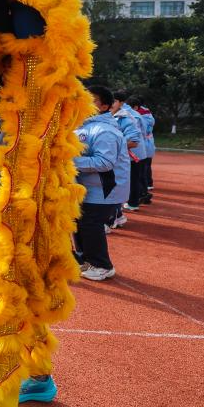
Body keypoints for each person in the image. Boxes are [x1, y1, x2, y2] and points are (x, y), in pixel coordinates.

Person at [74, 86, 130, 281]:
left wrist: (69, 162)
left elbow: (105, 162)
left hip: (104, 190)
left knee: (90, 224)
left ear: (105, 106)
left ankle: (102, 265)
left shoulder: (104, 130)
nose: (85, 102)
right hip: (88, 188)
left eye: (93, 100)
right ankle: (86, 261)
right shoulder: (83, 126)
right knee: (81, 223)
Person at [111, 90, 144, 213]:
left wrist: (112, 147)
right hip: (116, 157)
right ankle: (117, 214)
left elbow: (135, 139)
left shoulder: (127, 117)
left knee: (131, 180)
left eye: (114, 101)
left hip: (130, 155)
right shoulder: (105, 115)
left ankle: (132, 203)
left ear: (121, 103)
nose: (111, 103)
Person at [130, 97, 156, 198]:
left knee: (140, 171)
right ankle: (147, 187)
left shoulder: (136, 116)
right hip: (146, 145)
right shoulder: (147, 113)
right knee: (145, 167)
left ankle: (143, 192)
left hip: (141, 146)